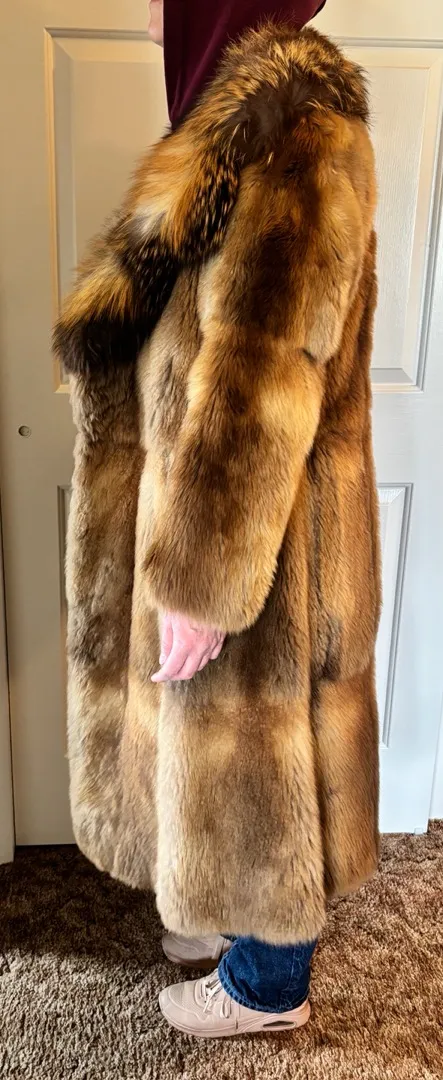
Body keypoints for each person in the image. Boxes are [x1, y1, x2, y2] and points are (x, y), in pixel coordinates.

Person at [54, 0, 381, 1040]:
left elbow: (261, 375)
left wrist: (202, 580)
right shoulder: (236, 133)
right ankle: (222, 911)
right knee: (217, 738)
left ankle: (267, 984)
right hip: (227, 507)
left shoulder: (294, 136)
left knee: (262, 741)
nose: (151, 23)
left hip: (257, 525)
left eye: (164, 1)